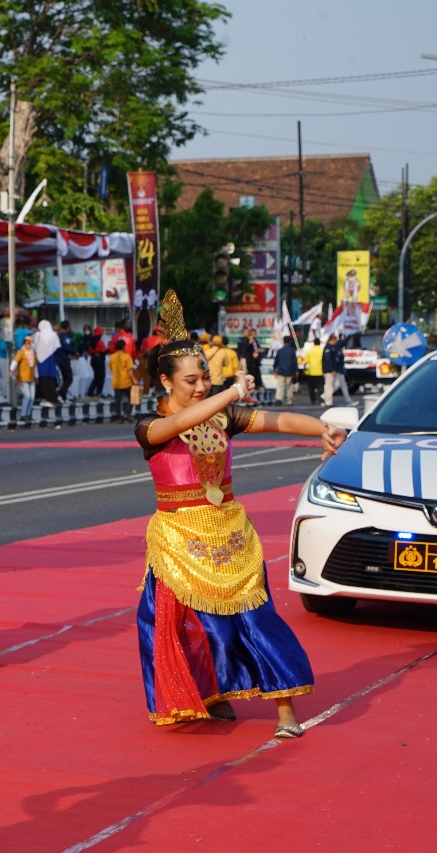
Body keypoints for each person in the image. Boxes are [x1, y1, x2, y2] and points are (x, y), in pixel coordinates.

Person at [134, 291, 344, 738]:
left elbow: (277, 421)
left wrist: (323, 428)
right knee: (192, 627)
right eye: (190, 380)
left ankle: (285, 709)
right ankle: (212, 694)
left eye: (204, 377)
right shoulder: (150, 428)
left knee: (255, 618)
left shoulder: (221, 417)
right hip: (178, 539)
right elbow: (180, 425)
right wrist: (231, 391)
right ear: (166, 383)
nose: (200, 386)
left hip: (229, 533)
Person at [10, 331, 37, 422]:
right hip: (23, 377)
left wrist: (37, 376)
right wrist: (11, 370)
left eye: (29, 343)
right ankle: (23, 414)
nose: (28, 344)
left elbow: (34, 365)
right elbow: (15, 361)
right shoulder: (21, 352)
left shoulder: (33, 353)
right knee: (27, 396)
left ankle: (28, 414)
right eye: (26, 342)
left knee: (32, 397)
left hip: (31, 377)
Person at [33, 319, 61, 407]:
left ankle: (43, 397)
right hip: (51, 359)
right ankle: (52, 397)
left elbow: (34, 346)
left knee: (42, 378)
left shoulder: (38, 335)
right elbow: (58, 347)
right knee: (51, 378)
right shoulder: (54, 335)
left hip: (40, 359)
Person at [321, 333, 353, 406]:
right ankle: (328, 402)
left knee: (336, 385)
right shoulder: (328, 348)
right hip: (329, 371)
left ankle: (325, 397)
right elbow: (328, 360)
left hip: (334, 370)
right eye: (335, 339)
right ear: (331, 340)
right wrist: (332, 369)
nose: (336, 341)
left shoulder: (333, 348)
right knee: (329, 386)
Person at [109, 338, 135, 422]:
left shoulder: (112, 357)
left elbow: (110, 367)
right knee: (132, 398)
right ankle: (127, 413)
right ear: (124, 347)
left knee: (118, 401)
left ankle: (119, 417)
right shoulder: (127, 357)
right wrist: (135, 381)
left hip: (116, 382)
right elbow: (130, 371)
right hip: (126, 382)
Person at [272, 336, 298, 406]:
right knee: (289, 386)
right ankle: (289, 400)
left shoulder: (280, 351)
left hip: (281, 371)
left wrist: (274, 369)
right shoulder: (292, 351)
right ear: (289, 342)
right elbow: (295, 362)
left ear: (283, 342)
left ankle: (279, 399)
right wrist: (296, 370)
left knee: (280, 386)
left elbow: (276, 361)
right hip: (289, 371)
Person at [85, 325, 108, 397]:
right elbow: (104, 351)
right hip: (100, 360)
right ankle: (99, 393)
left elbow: (89, 351)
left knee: (96, 377)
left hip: (93, 360)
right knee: (101, 377)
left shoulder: (91, 342)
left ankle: (90, 391)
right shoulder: (100, 342)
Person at [57, 319, 76, 401]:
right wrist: (74, 351)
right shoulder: (64, 337)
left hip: (59, 359)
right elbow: (67, 347)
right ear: (67, 327)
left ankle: (63, 396)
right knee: (69, 378)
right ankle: (61, 393)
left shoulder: (58, 336)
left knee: (65, 379)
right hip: (64, 360)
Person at [302, 337, 324, 404]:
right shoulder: (322, 351)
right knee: (320, 386)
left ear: (314, 343)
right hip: (320, 372)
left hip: (311, 372)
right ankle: (319, 397)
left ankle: (313, 399)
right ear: (319, 343)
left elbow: (305, 362)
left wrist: (304, 370)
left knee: (311, 388)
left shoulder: (309, 352)